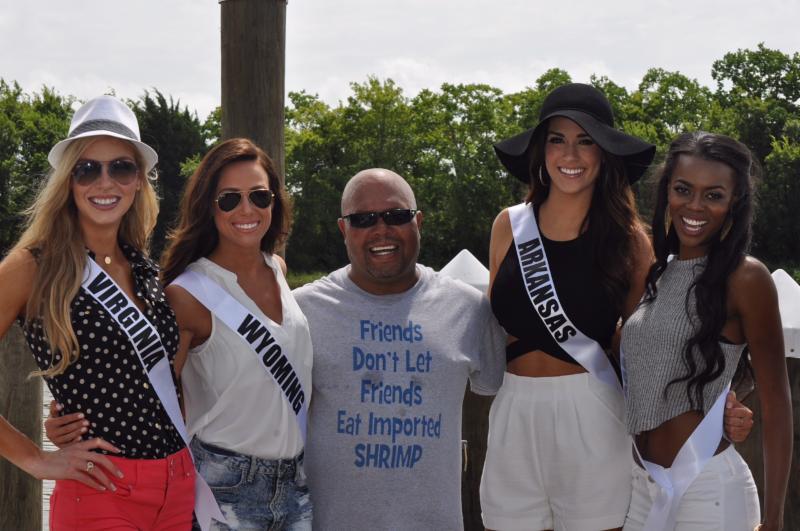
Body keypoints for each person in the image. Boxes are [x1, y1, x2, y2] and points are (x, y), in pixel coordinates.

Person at [481, 83, 754, 531]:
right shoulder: (509, 226)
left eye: (585, 140)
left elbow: (661, 336)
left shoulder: (628, 240)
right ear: (541, 152)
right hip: (513, 410)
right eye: (557, 139)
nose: (571, 153)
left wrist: (720, 402)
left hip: (591, 412)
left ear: (605, 152)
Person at [47, 138, 312, 530]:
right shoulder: (187, 293)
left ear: (275, 201)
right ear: (209, 205)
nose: (247, 210)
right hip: (225, 487)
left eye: (259, 196)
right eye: (229, 199)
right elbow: (145, 385)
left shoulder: (278, 269)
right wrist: (74, 418)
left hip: (295, 486)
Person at [0, 95, 196, 529]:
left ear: (141, 181)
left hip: (179, 485)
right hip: (102, 490)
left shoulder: (144, 266)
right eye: (87, 169)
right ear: (68, 181)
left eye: (121, 167)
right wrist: (34, 459)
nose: (104, 182)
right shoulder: (33, 266)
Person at [292, 168, 506, 530]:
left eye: (397, 216)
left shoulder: (469, 308)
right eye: (362, 219)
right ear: (344, 229)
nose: (381, 229)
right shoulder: (301, 312)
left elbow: (513, 395)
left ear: (418, 222)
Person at [621, 132, 792, 531]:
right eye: (683, 189)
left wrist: (776, 518)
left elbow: (778, 400)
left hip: (709, 491)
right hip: (642, 487)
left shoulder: (747, 277)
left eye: (713, 195)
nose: (694, 206)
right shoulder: (652, 274)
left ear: (735, 202)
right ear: (667, 192)